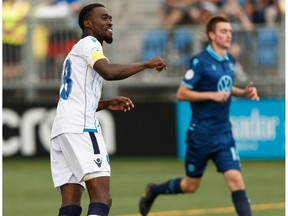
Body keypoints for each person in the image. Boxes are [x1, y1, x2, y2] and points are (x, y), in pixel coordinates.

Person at [50, 3, 167, 216]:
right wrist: (147, 64)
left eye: (110, 17)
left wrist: (106, 103)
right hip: (81, 128)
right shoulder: (90, 44)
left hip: (62, 128)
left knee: (70, 201)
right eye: (103, 18)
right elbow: (108, 72)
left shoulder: (75, 53)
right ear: (88, 23)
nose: (109, 21)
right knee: (102, 197)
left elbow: (76, 97)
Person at [139, 14, 259, 216]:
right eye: (223, 31)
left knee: (236, 181)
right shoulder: (200, 61)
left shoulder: (229, 59)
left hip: (223, 133)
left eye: (230, 31)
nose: (228, 35)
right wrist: (211, 95)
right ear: (211, 35)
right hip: (201, 134)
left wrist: (243, 93)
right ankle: (154, 190)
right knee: (190, 185)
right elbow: (182, 93)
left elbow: (225, 88)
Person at [3, 0, 31, 80]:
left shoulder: (22, 5)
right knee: (6, 63)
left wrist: (10, 29)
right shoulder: (5, 4)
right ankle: (8, 83)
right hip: (4, 39)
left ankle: (14, 83)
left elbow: (24, 18)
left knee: (15, 63)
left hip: (17, 39)